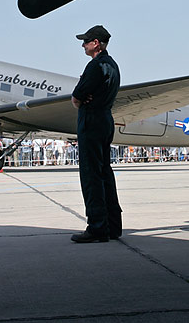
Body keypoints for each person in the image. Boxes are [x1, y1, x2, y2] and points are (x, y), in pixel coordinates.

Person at [70, 25, 122, 243]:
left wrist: (81, 97)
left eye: (86, 41)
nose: (83, 44)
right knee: (105, 173)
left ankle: (97, 227)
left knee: (91, 174)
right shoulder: (113, 65)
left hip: (91, 120)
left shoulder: (95, 66)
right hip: (106, 119)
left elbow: (76, 97)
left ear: (96, 44)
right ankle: (113, 225)